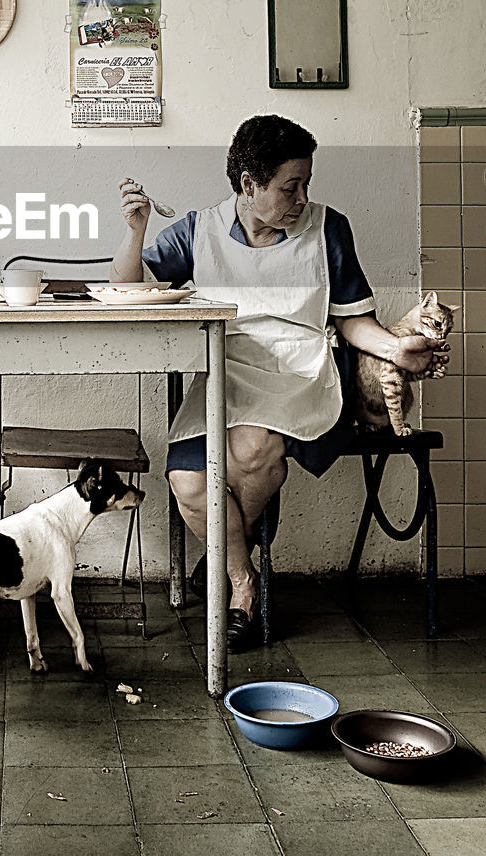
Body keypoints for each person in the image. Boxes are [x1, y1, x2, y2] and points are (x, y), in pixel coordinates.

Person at [112, 114, 448, 652]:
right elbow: (128, 293)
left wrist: (394, 348)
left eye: (305, 184)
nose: (300, 197)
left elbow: (351, 318)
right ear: (249, 183)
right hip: (229, 366)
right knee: (188, 480)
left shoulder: (327, 227)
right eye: (290, 186)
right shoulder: (200, 230)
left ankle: (238, 586)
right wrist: (136, 232)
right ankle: (239, 564)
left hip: (301, 370)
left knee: (251, 449)